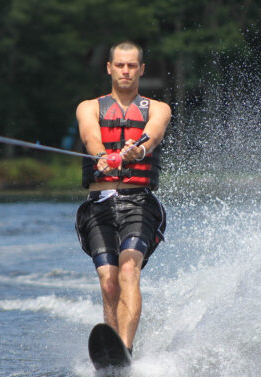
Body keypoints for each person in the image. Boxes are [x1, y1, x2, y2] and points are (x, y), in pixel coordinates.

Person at [75, 41, 171, 355]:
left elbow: (153, 133)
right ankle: (113, 350)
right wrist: (101, 155)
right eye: (120, 65)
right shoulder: (89, 106)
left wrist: (138, 149)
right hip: (99, 205)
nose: (126, 71)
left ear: (141, 69)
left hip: (139, 204)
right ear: (109, 68)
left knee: (129, 270)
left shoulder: (158, 108)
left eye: (132, 66)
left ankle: (126, 350)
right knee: (109, 280)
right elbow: (91, 134)